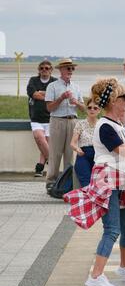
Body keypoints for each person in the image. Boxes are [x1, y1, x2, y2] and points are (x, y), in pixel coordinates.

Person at [64, 78, 125, 286]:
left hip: (118, 177)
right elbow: (122, 151)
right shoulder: (105, 126)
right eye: (124, 97)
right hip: (108, 177)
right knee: (112, 229)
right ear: (114, 101)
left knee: (122, 225)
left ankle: (122, 268)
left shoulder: (117, 125)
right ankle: (96, 275)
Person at [45, 58, 85, 191]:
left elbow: (84, 108)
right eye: (68, 68)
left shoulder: (76, 87)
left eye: (72, 68)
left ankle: (67, 182)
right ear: (61, 70)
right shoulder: (53, 86)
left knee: (70, 154)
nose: (71, 71)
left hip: (73, 121)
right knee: (55, 153)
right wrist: (61, 98)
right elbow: (49, 108)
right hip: (57, 120)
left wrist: (77, 103)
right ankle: (51, 180)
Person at [26, 60, 57, 177]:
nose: (44, 70)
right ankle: (53, 162)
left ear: (51, 70)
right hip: (36, 118)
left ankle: (39, 167)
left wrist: (41, 93)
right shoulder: (33, 80)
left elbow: (57, 96)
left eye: (47, 68)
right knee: (39, 138)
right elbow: (33, 94)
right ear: (39, 70)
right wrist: (48, 96)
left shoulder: (55, 82)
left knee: (44, 145)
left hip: (51, 118)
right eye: (42, 68)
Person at [70, 99, 100, 187]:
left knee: (98, 180)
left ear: (99, 110)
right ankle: (88, 198)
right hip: (83, 153)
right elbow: (73, 143)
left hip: (98, 155)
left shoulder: (101, 124)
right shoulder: (80, 124)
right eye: (89, 107)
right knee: (85, 180)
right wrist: (77, 149)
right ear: (86, 109)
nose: (92, 110)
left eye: (95, 108)